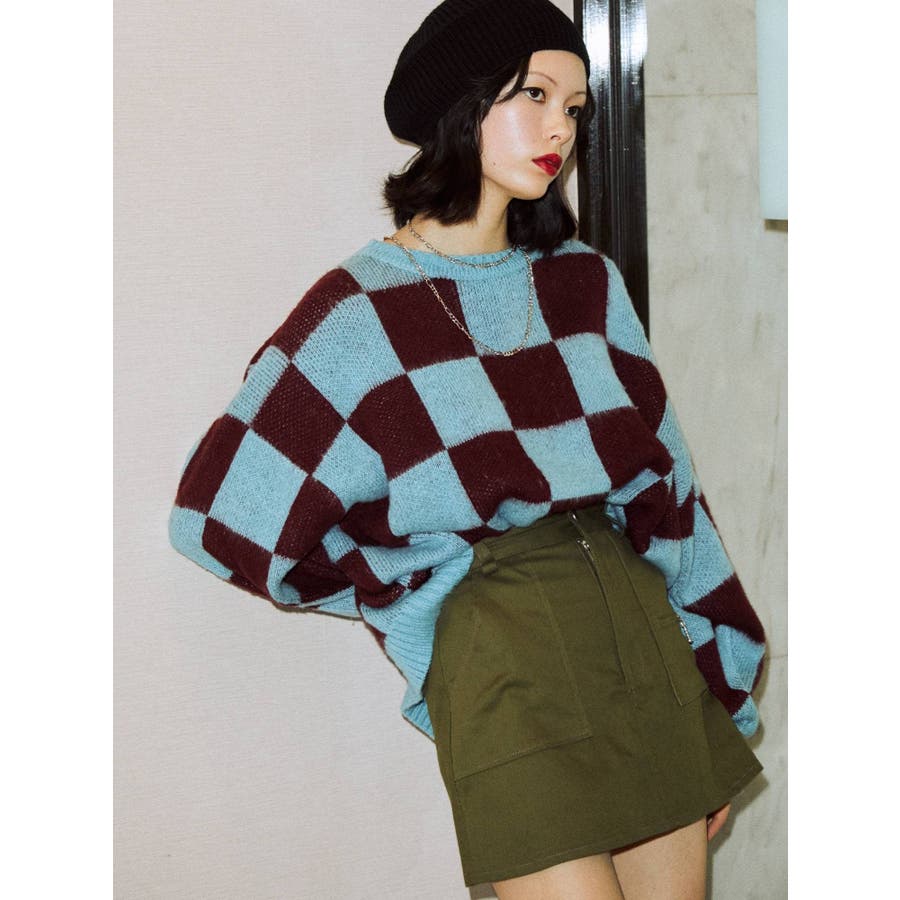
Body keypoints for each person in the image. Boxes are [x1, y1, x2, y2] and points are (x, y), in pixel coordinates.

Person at [168, 1, 766, 896]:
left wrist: (721, 689)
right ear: (465, 103)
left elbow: (671, 494)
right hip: (503, 658)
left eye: (576, 108)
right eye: (537, 95)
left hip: (639, 633)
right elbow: (216, 516)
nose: (562, 129)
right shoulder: (359, 310)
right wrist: (415, 589)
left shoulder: (587, 284)